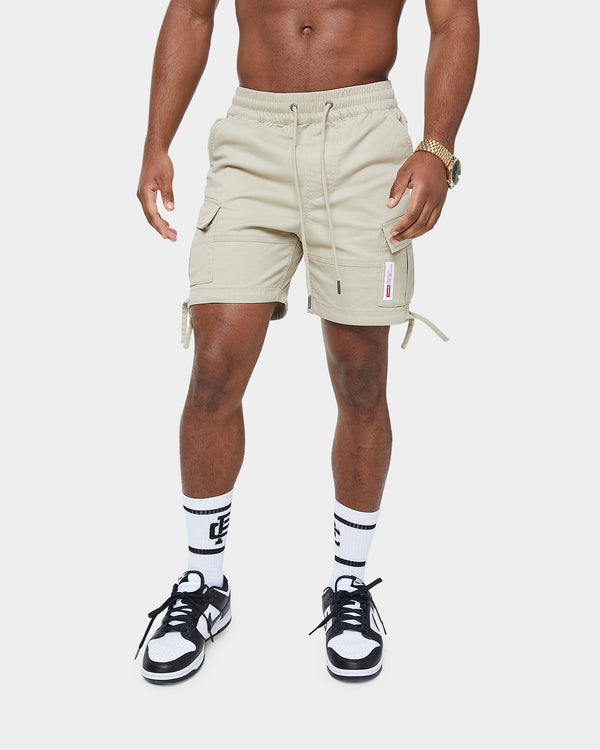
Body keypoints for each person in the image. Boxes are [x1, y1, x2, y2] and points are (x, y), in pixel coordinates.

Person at [135, 0, 479, 684]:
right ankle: (204, 583)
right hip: (252, 139)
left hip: (364, 140)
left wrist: (438, 147)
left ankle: (349, 584)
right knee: (214, 368)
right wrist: (156, 141)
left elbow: (454, 20)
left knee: (360, 377)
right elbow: (193, 13)